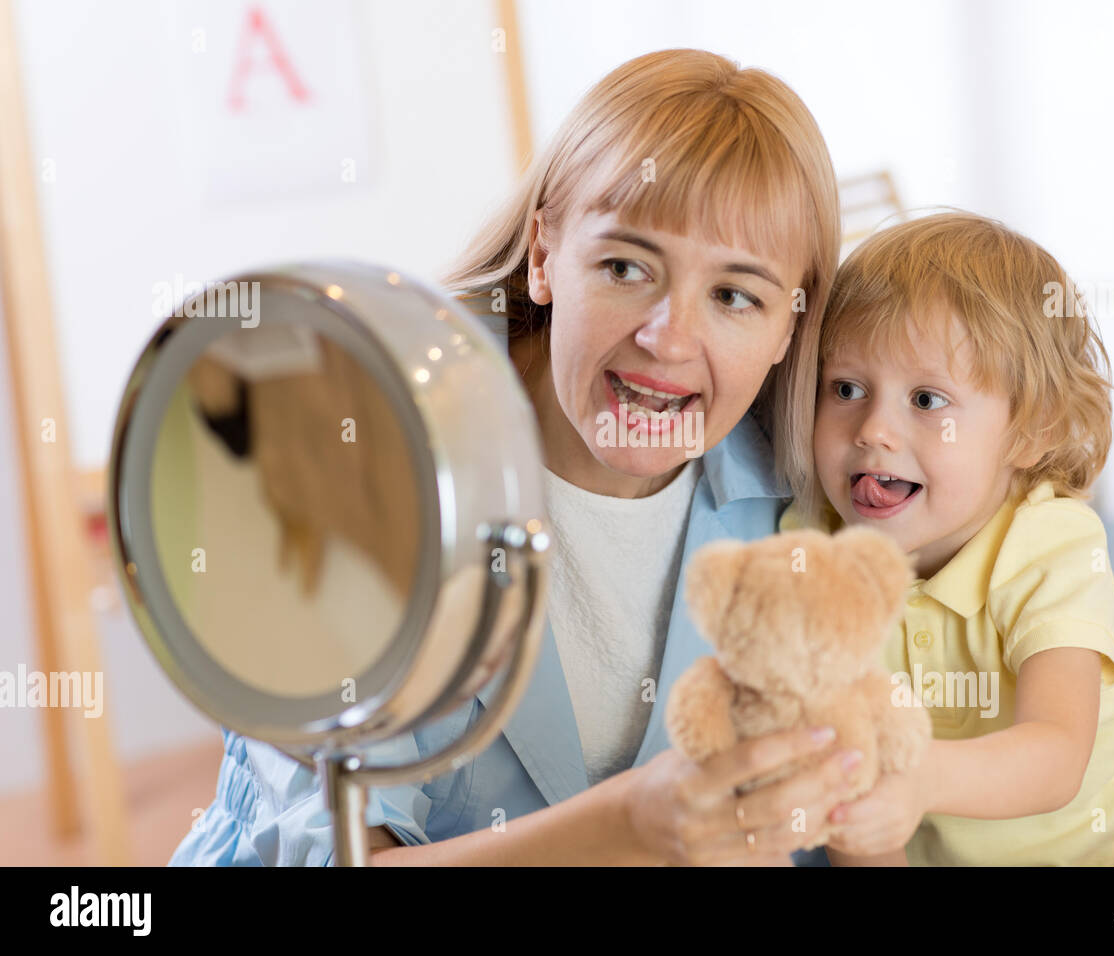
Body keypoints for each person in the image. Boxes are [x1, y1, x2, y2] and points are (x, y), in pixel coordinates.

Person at [170, 48, 853, 867]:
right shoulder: (372, 462)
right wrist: (626, 827)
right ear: (544, 256)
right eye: (625, 267)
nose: (668, 338)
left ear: (790, 323)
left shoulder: (809, 493)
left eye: (735, 295)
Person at [775, 211, 1114, 865]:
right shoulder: (813, 551)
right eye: (846, 388)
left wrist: (919, 776)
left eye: (927, 401)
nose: (874, 429)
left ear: (1032, 431)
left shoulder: (1052, 545)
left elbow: (1055, 754)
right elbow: (857, 799)